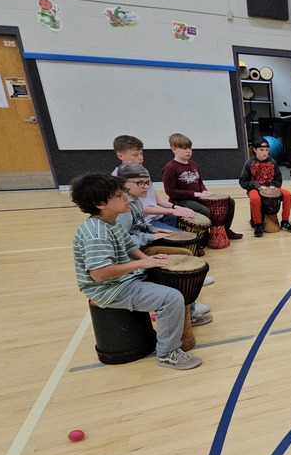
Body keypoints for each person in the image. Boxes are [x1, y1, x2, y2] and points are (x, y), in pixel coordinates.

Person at [70, 173, 203, 370]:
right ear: (100, 203)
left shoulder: (110, 221)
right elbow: (99, 274)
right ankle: (168, 353)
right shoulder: (96, 234)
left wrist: (147, 259)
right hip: (110, 289)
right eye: (118, 195)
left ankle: (186, 318)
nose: (126, 198)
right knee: (172, 297)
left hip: (124, 279)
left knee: (173, 274)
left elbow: (129, 247)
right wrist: (141, 265)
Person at [115, 162, 212, 325]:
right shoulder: (123, 209)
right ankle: (185, 312)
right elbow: (124, 241)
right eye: (140, 183)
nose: (146, 187)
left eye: (148, 182)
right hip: (134, 252)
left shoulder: (136, 200)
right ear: (123, 184)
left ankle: (188, 308)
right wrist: (150, 238)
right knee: (181, 258)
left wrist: (153, 231)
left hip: (143, 243)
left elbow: (139, 225)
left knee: (185, 253)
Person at [161, 132, 242, 240]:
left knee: (229, 202)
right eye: (184, 148)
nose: (188, 151)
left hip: (197, 197)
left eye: (190, 148)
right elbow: (170, 191)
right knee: (204, 211)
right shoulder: (170, 168)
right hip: (180, 200)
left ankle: (225, 231)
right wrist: (194, 194)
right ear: (174, 149)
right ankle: (204, 237)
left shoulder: (193, 164)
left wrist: (204, 191)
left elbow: (200, 182)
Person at [110, 135, 196, 230]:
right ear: (120, 156)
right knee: (181, 237)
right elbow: (139, 209)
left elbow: (158, 201)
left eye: (141, 153)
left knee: (192, 222)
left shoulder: (143, 172)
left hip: (158, 215)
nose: (140, 158)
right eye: (135, 155)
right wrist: (171, 211)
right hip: (145, 221)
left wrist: (176, 207)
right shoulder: (118, 178)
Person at [239, 137, 291, 237]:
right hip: (255, 188)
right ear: (255, 150)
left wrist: (273, 185)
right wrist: (257, 186)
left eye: (266, 150)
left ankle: (285, 221)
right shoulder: (249, 163)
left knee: (287, 195)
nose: (265, 153)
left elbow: (278, 178)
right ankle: (258, 224)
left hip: (271, 188)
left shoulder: (272, 162)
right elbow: (243, 181)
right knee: (255, 198)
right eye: (261, 150)